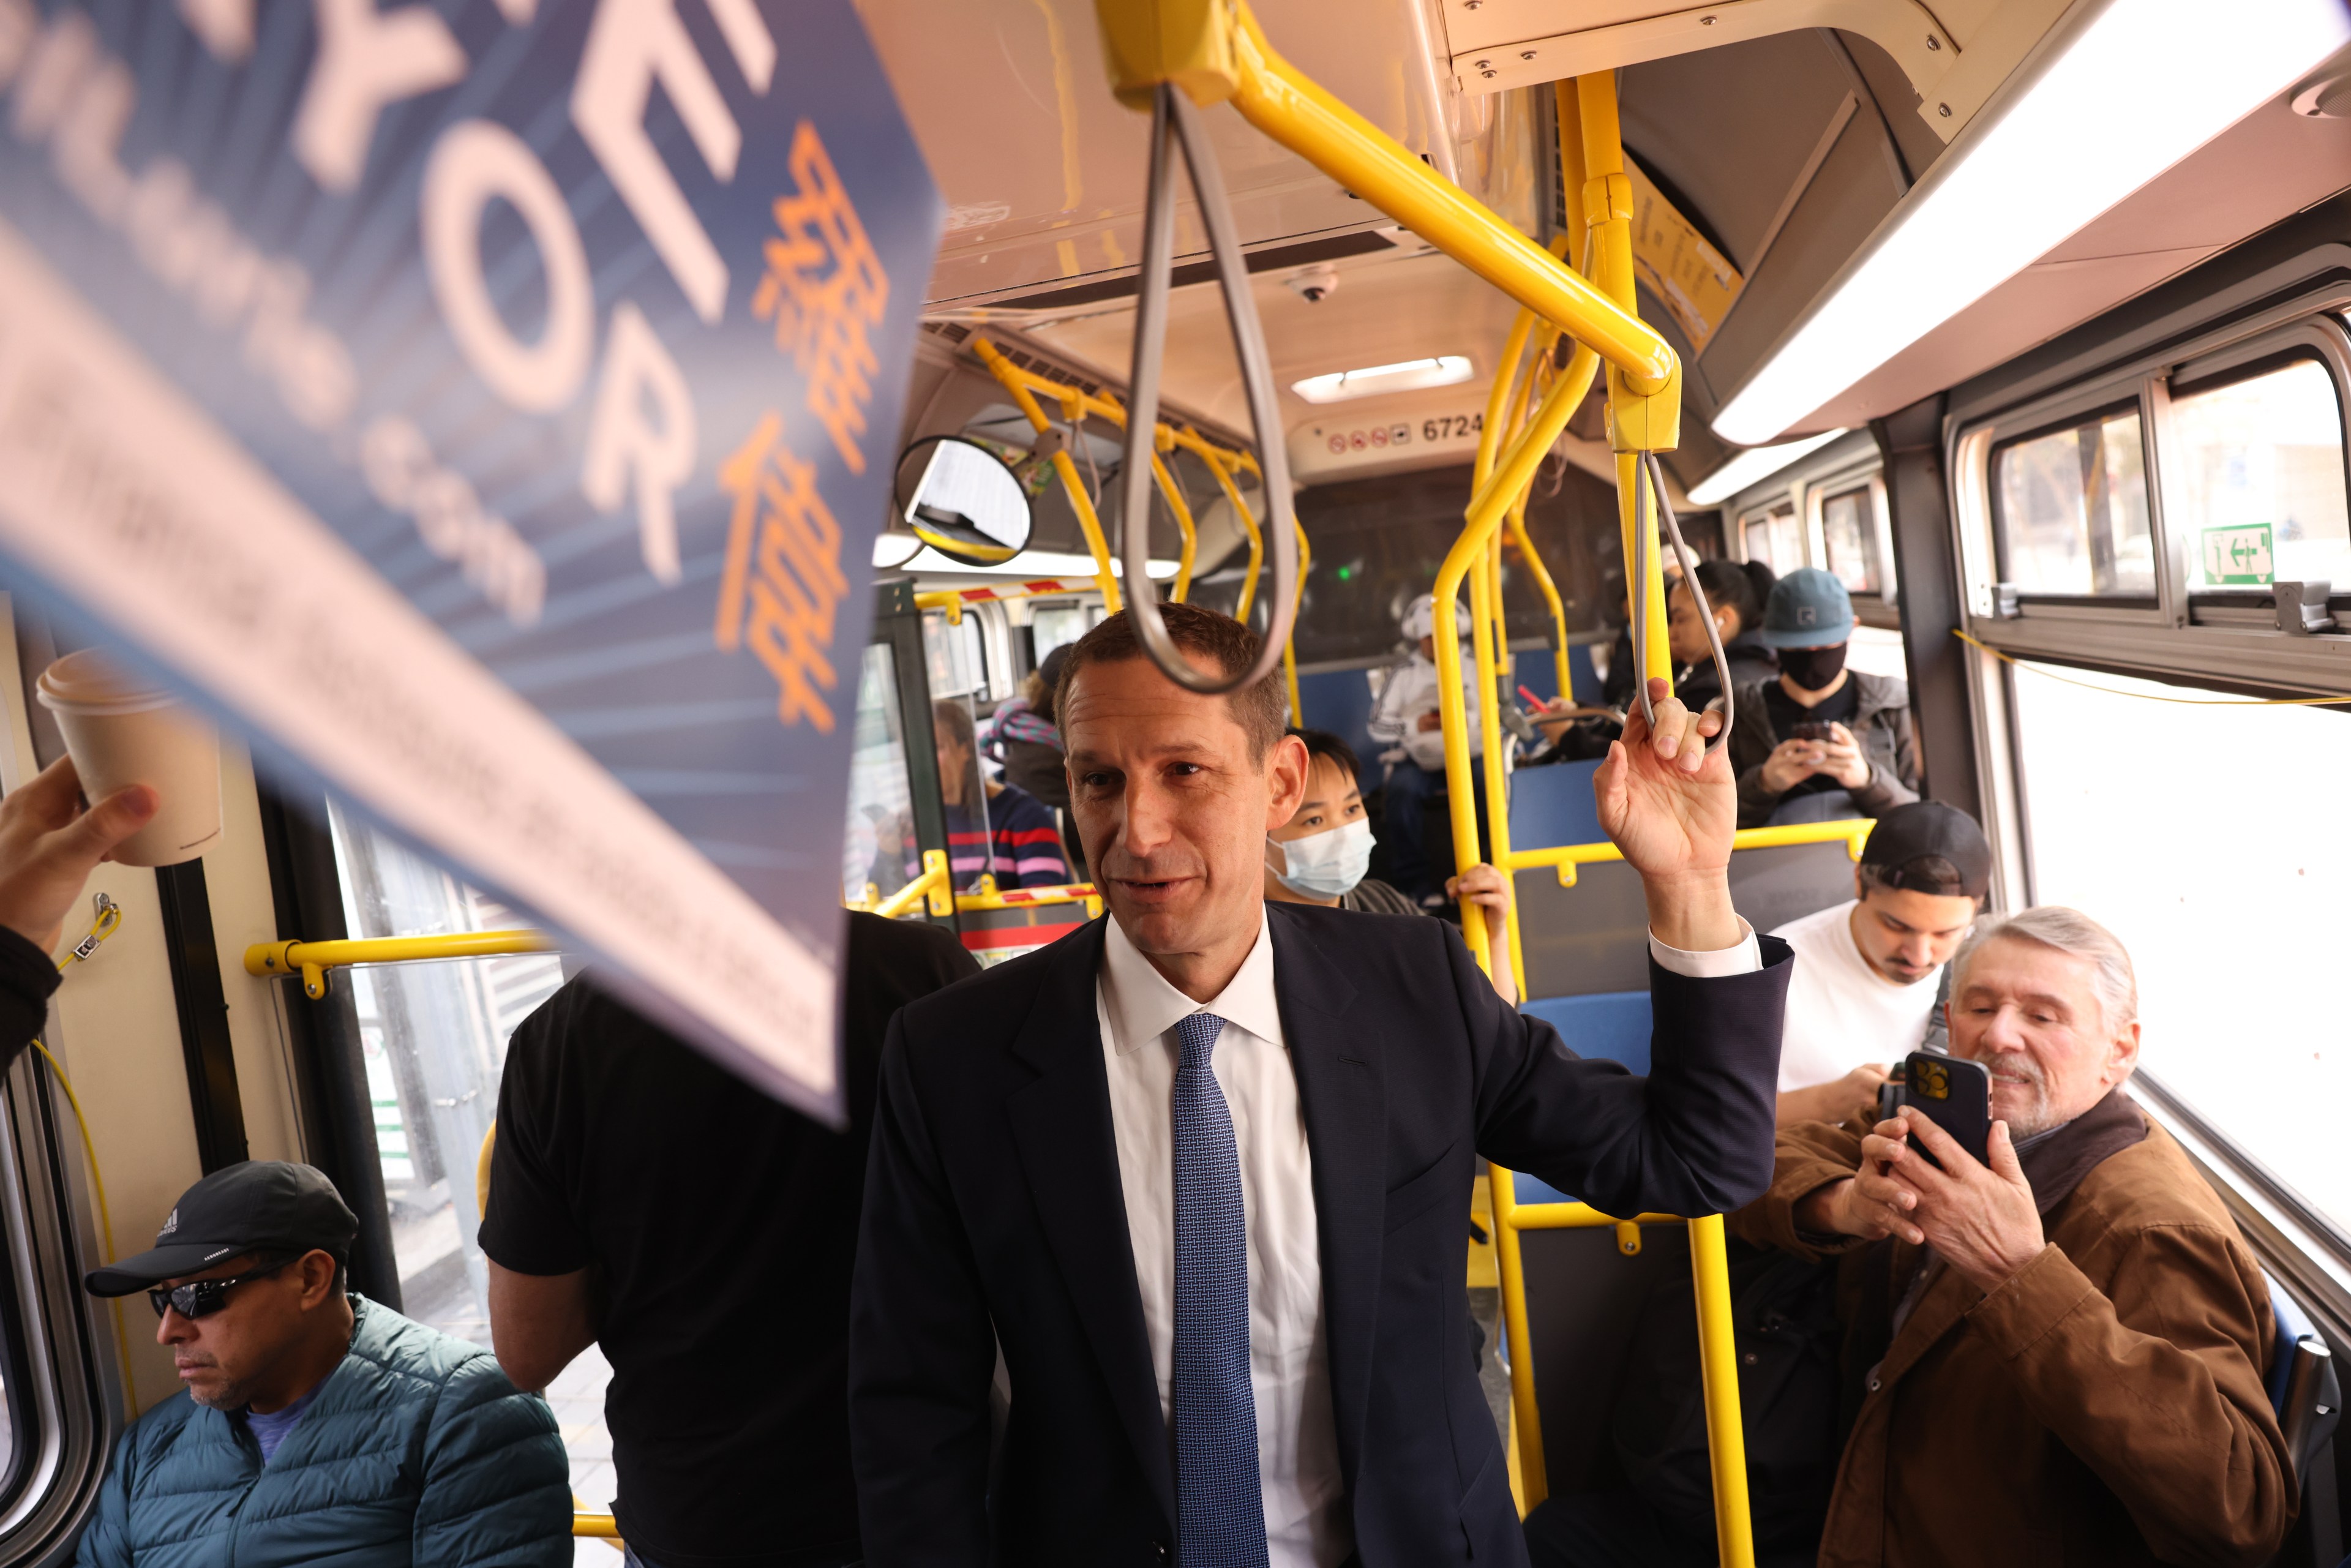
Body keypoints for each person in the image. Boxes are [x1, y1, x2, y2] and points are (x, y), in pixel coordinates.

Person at [849, 601, 1792, 1566]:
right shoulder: (954, 1055)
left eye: (1185, 771)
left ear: (1280, 781)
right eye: (1100, 780)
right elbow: (914, 1403)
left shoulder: (1411, 986)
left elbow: (1694, 1161)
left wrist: (1690, 888)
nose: (1135, 830)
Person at [1729, 907, 2294, 1567]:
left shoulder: (2153, 1231)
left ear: (2121, 1049)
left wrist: (2019, 1273)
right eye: (1980, 1005)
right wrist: (1844, 1202)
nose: (1999, 1035)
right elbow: (1741, 1164)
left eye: (2043, 1015)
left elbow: (2241, 1508)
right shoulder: (1939, 1116)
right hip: (1860, 1492)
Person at [482, 911, 976, 1568]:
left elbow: (527, 1347)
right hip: (920, 1479)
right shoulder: (924, 970)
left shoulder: (560, 1041)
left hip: (705, 1510)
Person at [75, 1161, 569, 1567]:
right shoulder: (151, 1447)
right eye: (163, 1301)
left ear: (311, 1278)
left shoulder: (467, 1414)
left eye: (197, 1296)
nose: (169, 1331)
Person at [1771, 801, 1990, 1127]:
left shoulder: (1985, 964)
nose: (1919, 955)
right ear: (1860, 882)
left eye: (1946, 933)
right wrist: (1826, 1103)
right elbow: (1711, 1119)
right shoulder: (1773, 971)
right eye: (1896, 925)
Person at [1265, 727, 1518, 1001]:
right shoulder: (1253, 943)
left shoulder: (1383, 904)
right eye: (1314, 820)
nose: (1343, 833)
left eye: (1352, 809)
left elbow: (1492, 1015)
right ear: (1258, 834)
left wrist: (1494, 935)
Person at [1725, 569, 1919, 828]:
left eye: (1825, 646)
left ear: (1852, 629)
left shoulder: (1893, 704)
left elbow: (1922, 817)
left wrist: (1867, 780)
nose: (1812, 657)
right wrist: (1764, 784)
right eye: (1797, 648)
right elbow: (1715, 824)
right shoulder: (1737, 713)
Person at [1364, 591, 1483, 905]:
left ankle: (1489, 869)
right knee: (1401, 793)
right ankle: (1415, 886)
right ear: (1420, 639)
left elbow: (1496, 714)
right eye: (1433, 636)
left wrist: (1463, 720)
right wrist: (1415, 724)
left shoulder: (1478, 666)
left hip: (1472, 755)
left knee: (1494, 788)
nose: (1441, 642)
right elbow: (1376, 724)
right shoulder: (1403, 674)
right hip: (1419, 759)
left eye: (1448, 635)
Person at [934, 696, 1068, 888]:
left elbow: (1045, 911)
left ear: (967, 749)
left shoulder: (1025, 818)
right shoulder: (905, 831)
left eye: (937, 748)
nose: (924, 763)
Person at [1665, 558, 1777, 717]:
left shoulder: (1707, 693)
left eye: (1681, 619)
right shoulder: (1769, 663)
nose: (1672, 633)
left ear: (1723, 620)